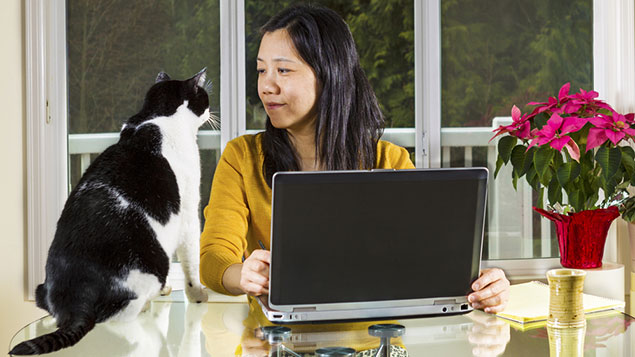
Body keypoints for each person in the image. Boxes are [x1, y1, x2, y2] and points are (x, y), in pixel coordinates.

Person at [199, 4, 509, 314]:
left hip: (380, 339)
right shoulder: (242, 158)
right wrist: (244, 275)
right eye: (261, 69)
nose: (267, 86)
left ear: (330, 74)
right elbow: (214, 258)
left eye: (283, 70)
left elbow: (430, 261)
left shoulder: (390, 161)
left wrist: (485, 286)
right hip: (280, 338)